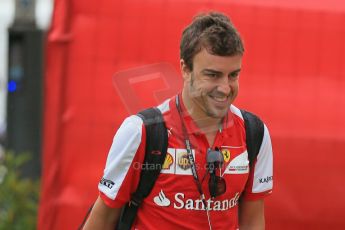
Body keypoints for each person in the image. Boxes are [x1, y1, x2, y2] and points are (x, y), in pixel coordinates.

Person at [83, 11, 273, 230]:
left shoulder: (254, 132)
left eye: (233, 75)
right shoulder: (142, 132)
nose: (224, 88)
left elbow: (252, 221)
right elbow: (102, 219)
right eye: (212, 75)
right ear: (185, 69)